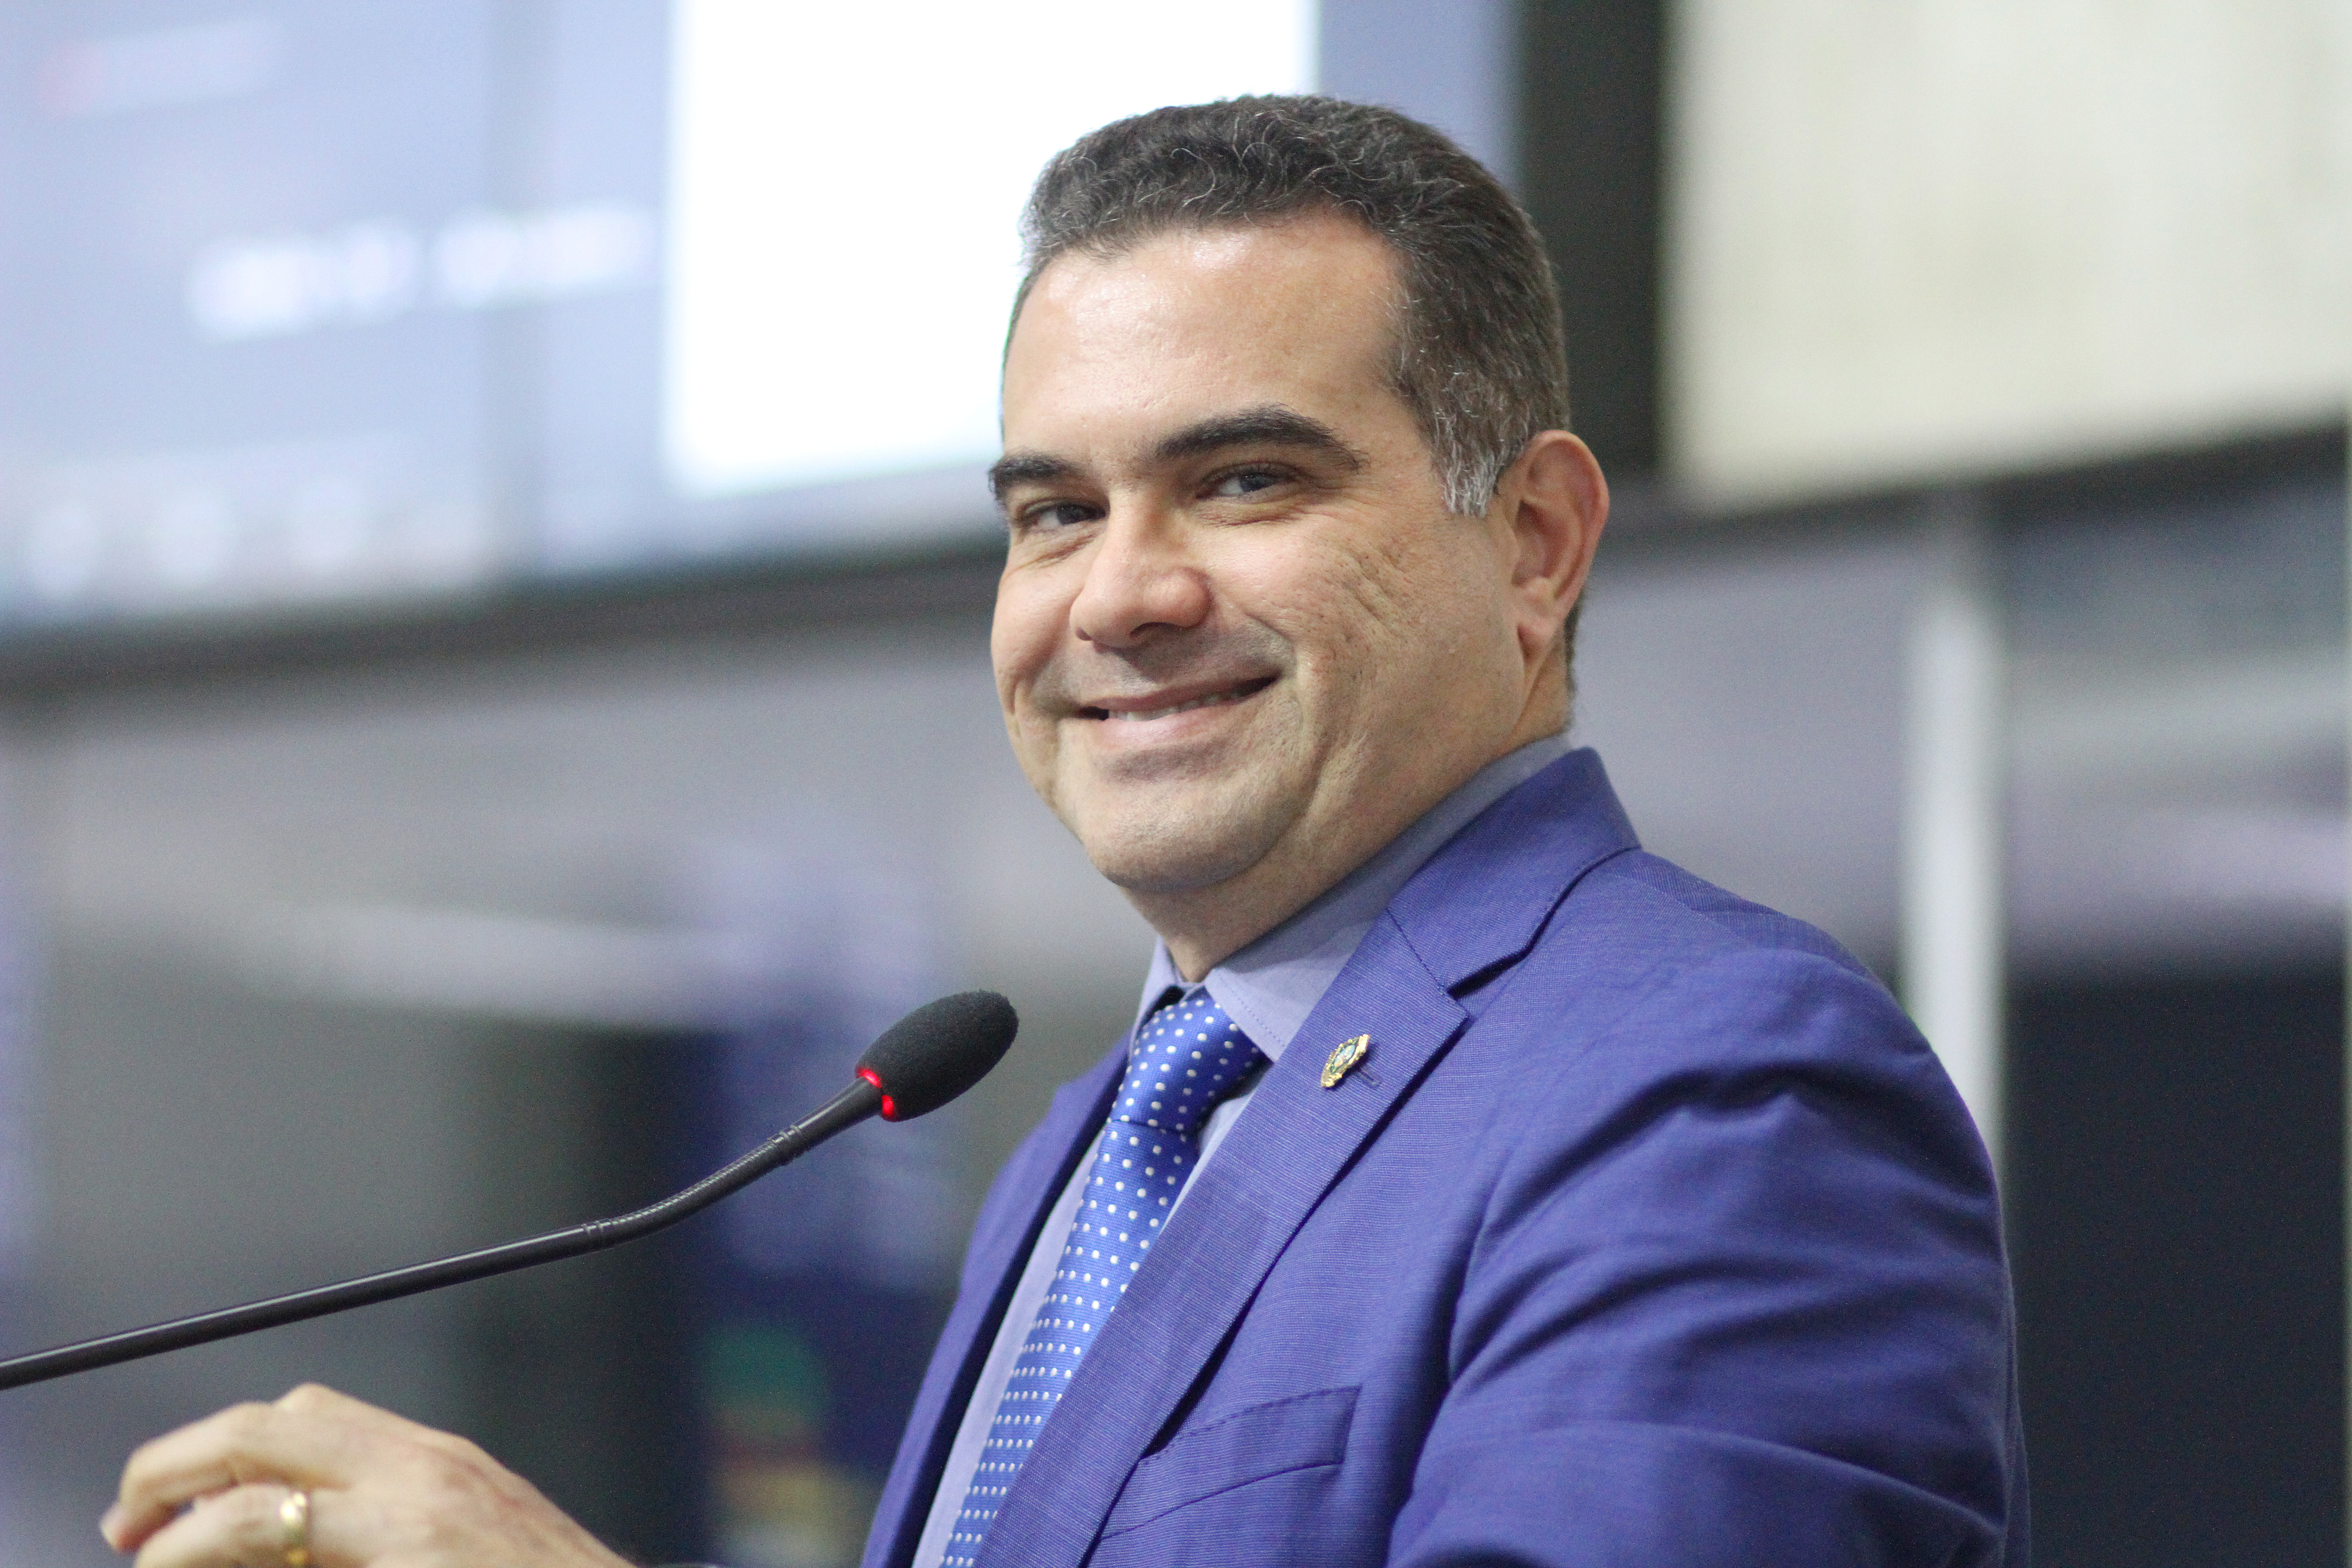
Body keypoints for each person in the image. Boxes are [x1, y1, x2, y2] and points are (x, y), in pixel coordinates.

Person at [101, 97, 2025, 1568]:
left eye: (1244, 480)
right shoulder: (1094, 1146)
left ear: (1533, 543)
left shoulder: (1716, 1091)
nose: (1120, 595)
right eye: (1054, 513)